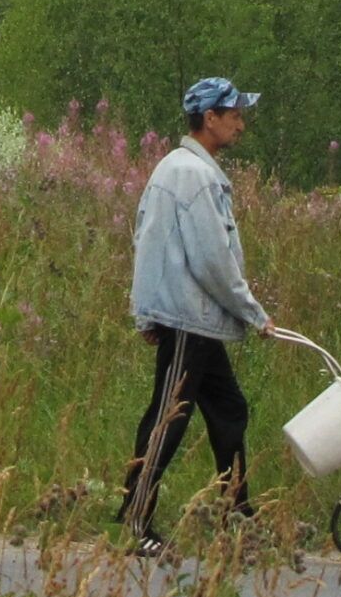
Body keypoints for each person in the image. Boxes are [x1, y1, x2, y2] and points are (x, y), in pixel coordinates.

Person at [116, 76, 271, 558]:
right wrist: (253, 313)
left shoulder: (181, 169)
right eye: (235, 115)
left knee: (229, 410)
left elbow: (147, 239)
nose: (241, 125)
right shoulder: (192, 175)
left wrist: (146, 312)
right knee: (168, 418)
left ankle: (237, 518)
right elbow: (211, 259)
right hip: (189, 317)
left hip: (191, 319)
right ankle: (136, 521)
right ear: (210, 118)